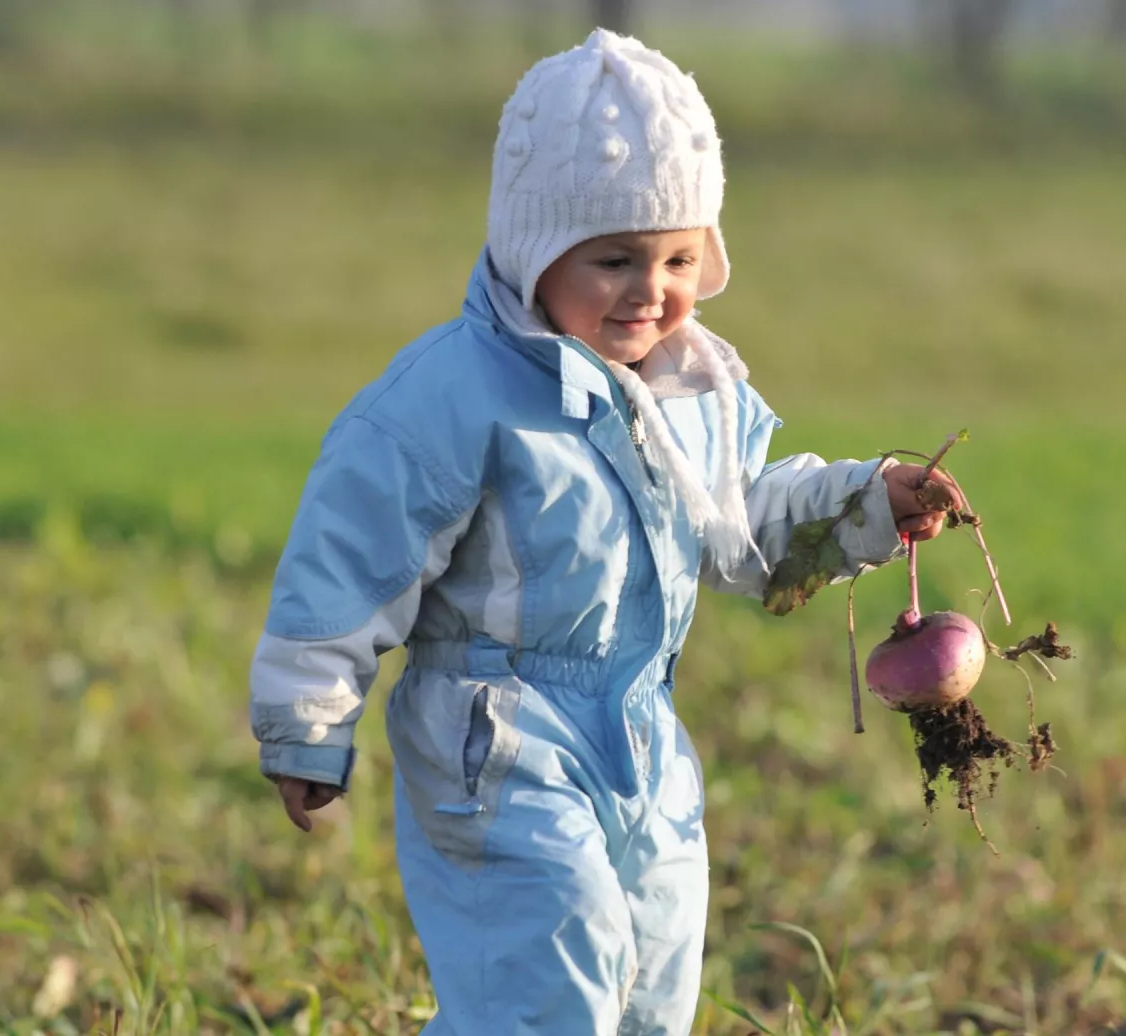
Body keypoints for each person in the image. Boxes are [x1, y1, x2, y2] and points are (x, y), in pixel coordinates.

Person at [251, 28, 960, 1035]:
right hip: (492, 733)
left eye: (677, 258)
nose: (651, 290)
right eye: (614, 258)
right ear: (532, 251)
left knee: (648, 987)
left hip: (637, 726)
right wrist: (305, 720)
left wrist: (864, 505)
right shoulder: (452, 399)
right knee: (543, 981)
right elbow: (350, 557)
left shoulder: (689, 389)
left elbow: (737, 529)